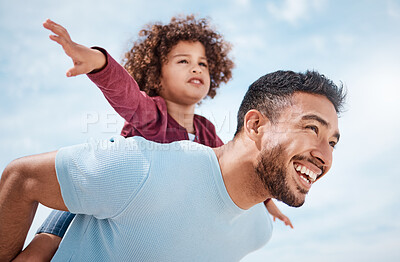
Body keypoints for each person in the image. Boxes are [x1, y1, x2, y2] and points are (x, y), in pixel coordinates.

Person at [17, 16, 292, 261]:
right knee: (39, 252)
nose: (196, 68)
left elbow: (237, 163)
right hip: (98, 197)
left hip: (144, 220)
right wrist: (98, 64)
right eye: (183, 61)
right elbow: (126, 94)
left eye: (203, 64)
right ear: (157, 77)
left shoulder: (207, 131)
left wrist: (267, 204)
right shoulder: (150, 112)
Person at [0, 69, 345, 261]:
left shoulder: (259, 232)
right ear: (255, 125)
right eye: (311, 128)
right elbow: (22, 177)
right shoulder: (143, 167)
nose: (325, 156)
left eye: (331, 142)